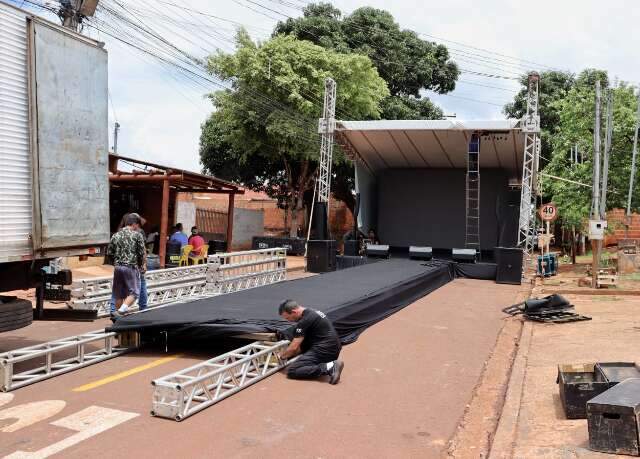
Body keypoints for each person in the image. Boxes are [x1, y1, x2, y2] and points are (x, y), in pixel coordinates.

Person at [278, 299, 344, 384]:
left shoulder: (304, 321)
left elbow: (293, 348)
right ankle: (329, 364)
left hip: (324, 350)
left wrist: (282, 356)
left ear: (294, 312)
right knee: (304, 346)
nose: (288, 320)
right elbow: (303, 345)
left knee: (293, 370)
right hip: (333, 348)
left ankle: (329, 367)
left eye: (287, 317)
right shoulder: (313, 312)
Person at [107, 213, 146, 317]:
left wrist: (116, 262)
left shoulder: (116, 235)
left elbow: (109, 252)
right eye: (138, 225)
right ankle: (120, 311)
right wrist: (141, 265)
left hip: (118, 267)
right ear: (134, 224)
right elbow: (141, 253)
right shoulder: (137, 235)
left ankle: (117, 317)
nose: (138, 228)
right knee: (135, 292)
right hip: (130, 267)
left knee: (119, 294)